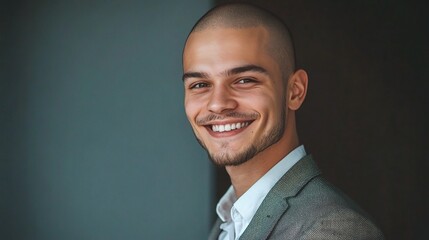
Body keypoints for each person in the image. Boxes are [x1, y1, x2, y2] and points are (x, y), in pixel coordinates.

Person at [182, 3, 384, 240]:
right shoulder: (229, 221)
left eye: (244, 80)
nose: (218, 103)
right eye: (200, 85)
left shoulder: (334, 230)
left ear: (294, 91)